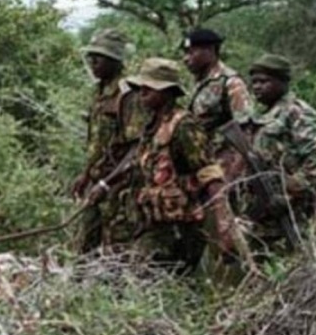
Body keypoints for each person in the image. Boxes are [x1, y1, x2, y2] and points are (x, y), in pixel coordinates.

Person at [108, 58, 240, 272]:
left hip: (180, 228)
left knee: (152, 281)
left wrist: (224, 226)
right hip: (154, 223)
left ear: (167, 91)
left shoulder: (184, 126)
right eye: (141, 87)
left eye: (149, 87)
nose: (142, 92)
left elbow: (210, 175)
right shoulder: (152, 125)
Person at [247, 54, 316, 254]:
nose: (257, 87)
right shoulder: (265, 114)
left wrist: (290, 190)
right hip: (268, 211)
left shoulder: (296, 112)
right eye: (254, 82)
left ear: (282, 82)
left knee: (299, 262)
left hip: (295, 211)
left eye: (264, 81)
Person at [72, 28, 149, 253]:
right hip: (99, 183)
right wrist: (86, 175)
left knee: (116, 252)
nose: (93, 61)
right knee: (84, 248)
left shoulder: (129, 95)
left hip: (120, 187)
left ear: (116, 61)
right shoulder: (99, 92)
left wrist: (107, 184)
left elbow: (137, 146)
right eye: (91, 56)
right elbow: (97, 143)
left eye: (100, 57)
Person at [181, 28, 255, 181]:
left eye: (191, 52)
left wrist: (235, 172)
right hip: (203, 160)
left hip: (223, 165)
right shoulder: (198, 82)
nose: (185, 59)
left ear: (210, 51)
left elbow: (246, 130)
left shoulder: (231, 82)